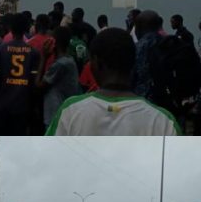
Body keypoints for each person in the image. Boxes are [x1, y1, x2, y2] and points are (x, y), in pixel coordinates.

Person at [46, 28, 181, 135]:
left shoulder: (70, 111)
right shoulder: (163, 120)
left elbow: (49, 160)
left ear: (96, 63)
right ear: (133, 64)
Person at [0, 13, 40, 135]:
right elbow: (33, 83)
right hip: (22, 105)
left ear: (10, 28)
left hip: (2, 104)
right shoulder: (33, 52)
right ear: (26, 29)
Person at [37, 26, 81, 129]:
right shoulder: (69, 60)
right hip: (63, 115)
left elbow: (38, 85)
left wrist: (43, 57)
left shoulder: (61, 64)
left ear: (54, 42)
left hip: (55, 116)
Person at [133, 10, 163, 99]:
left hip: (143, 98)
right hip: (167, 99)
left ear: (139, 27)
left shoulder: (138, 48)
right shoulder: (168, 43)